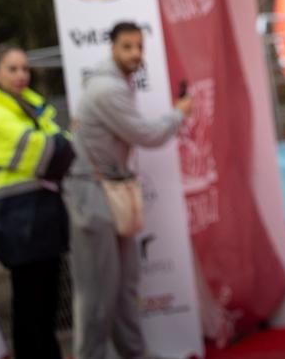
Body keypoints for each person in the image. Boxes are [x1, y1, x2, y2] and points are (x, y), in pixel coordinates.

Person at [65, 22, 193, 359]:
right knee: (98, 291)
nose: (136, 53)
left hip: (111, 189)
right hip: (92, 193)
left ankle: (134, 353)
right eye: (127, 46)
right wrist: (178, 115)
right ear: (112, 48)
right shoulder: (107, 89)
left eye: (139, 46)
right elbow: (148, 135)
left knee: (124, 284)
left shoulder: (115, 84)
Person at [0, 43, 73, 359]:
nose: (21, 75)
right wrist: (62, 144)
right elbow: (51, 152)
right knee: (31, 307)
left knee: (45, 307)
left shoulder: (29, 108)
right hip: (17, 221)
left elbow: (64, 148)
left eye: (25, 68)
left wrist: (62, 144)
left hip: (38, 219)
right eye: (12, 68)